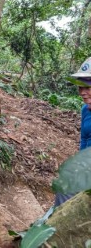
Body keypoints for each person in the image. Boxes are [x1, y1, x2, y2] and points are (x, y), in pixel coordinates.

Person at [54, 57, 91, 207]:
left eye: (88, 87)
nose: (82, 92)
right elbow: (84, 141)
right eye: (80, 87)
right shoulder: (85, 111)